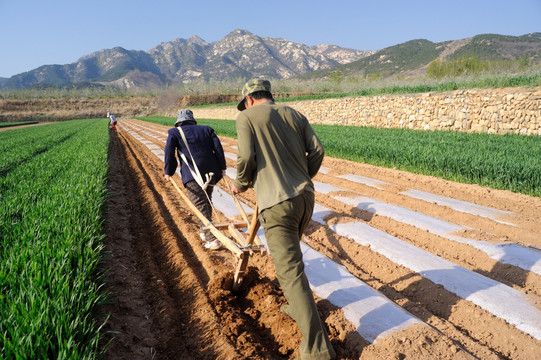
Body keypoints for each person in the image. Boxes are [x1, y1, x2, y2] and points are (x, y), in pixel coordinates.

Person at [231, 79, 335, 360]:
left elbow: (246, 159)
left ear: (249, 99)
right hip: (305, 199)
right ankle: (295, 307)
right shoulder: (294, 114)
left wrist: (240, 184)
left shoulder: (246, 118)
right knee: (293, 262)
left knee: (290, 273)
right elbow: (318, 151)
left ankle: (317, 350)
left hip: (276, 205)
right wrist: (301, 178)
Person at [164, 109, 227, 250]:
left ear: (178, 122)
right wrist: (222, 167)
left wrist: (169, 171)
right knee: (206, 200)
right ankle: (204, 231)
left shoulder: (174, 132)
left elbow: (169, 153)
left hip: (192, 174)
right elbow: (218, 149)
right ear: (193, 121)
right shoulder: (207, 130)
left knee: (199, 205)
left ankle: (212, 239)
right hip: (211, 172)